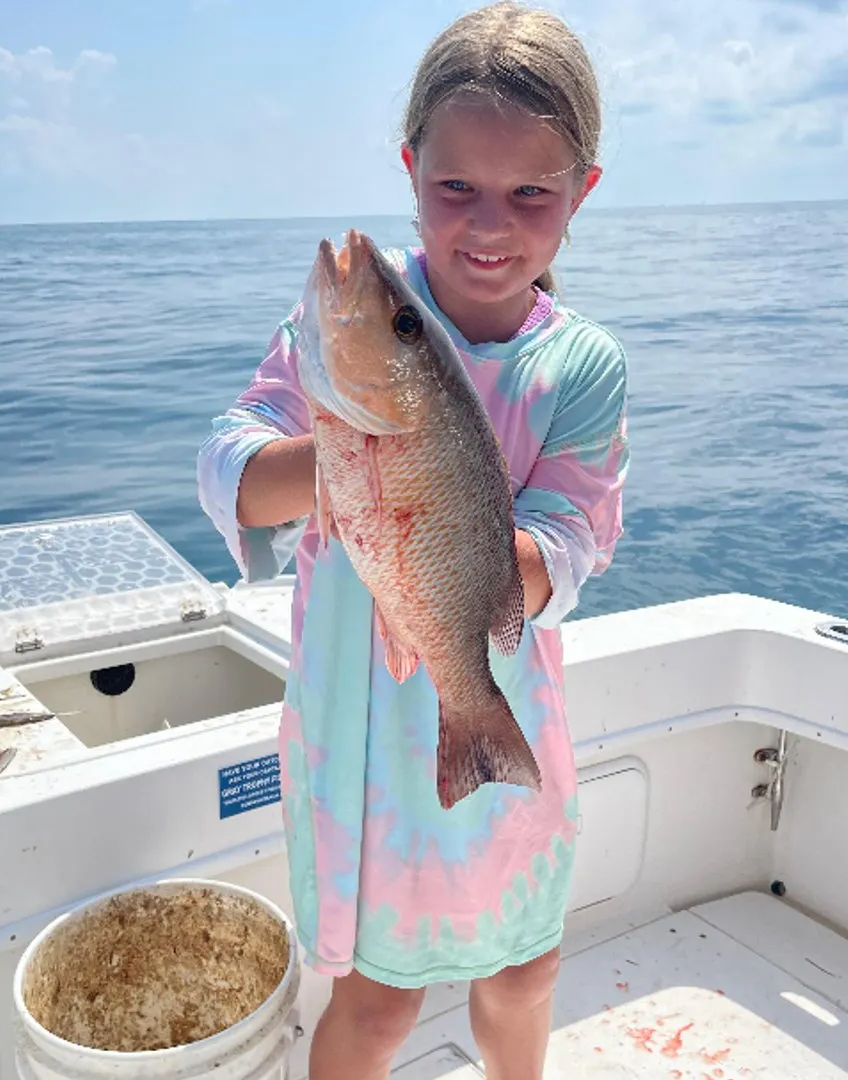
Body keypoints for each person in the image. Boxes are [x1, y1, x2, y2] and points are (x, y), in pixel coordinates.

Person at [195, 4, 629, 1078]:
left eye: (532, 192)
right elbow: (230, 470)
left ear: (582, 191)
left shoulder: (582, 367)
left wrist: (498, 569)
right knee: (381, 999)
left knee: (524, 971)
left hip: (498, 697)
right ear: (409, 170)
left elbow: (576, 533)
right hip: (365, 736)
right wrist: (333, 458)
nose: (491, 223)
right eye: (455, 189)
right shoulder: (341, 329)